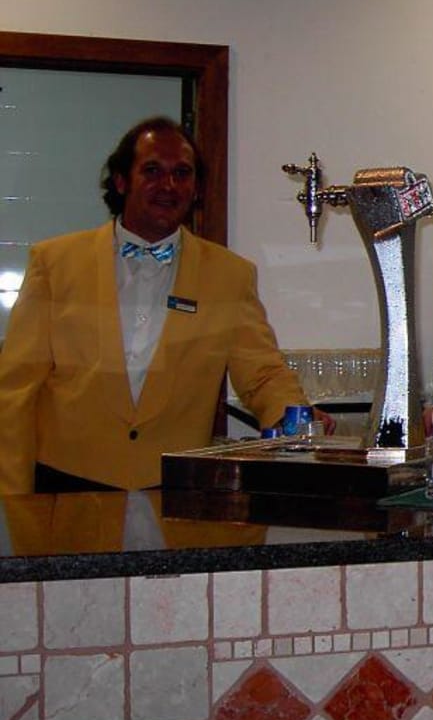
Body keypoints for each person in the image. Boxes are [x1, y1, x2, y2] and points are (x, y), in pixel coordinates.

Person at [0, 116, 317, 493]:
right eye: (152, 170)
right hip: (65, 484)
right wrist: (13, 496)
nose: (168, 185)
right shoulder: (54, 263)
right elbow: (15, 390)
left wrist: (296, 418)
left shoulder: (230, 276)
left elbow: (262, 374)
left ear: (195, 188)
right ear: (122, 181)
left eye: (182, 173)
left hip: (174, 488)